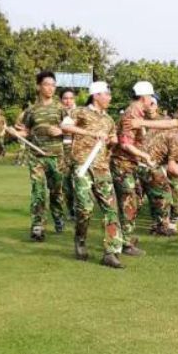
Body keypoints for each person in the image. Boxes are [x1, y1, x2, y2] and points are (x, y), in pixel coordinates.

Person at [61, 81, 126, 268]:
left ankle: (111, 252)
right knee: (85, 207)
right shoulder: (80, 112)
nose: (110, 98)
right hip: (83, 165)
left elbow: (113, 138)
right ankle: (80, 239)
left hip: (102, 168)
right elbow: (65, 126)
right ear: (96, 95)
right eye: (107, 94)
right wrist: (90, 133)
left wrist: (112, 140)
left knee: (110, 209)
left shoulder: (109, 120)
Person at [112, 80, 178, 257]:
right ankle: (124, 243)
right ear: (143, 97)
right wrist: (145, 156)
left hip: (129, 165)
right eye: (150, 97)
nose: (151, 100)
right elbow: (125, 144)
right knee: (129, 204)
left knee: (131, 202)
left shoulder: (137, 114)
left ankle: (124, 239)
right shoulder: (132, 113)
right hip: (123, 165)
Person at [14, 71, 67, 240]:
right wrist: (16, 133)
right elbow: (26, 131)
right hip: (36, 156)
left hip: (56, 156)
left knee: (56, 192)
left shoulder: (61, 109)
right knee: (38, 191)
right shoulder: (31, 110)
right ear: (39, 87)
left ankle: (58, 217)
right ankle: (38, 225)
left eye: (53, 85)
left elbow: (71, 130)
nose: (50, 88)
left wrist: (61, 131)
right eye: (47, 84)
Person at [140, 99, 178, 235]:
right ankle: (162, 228)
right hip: (148, 165)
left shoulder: (177, 134)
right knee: (165, 195)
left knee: (155, 196)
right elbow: (172, 168)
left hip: (144, 162)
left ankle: (157, 225)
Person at [60, 88, 78, 216]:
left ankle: (80, 209)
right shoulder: (57, 113)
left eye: (71, 98)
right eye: (65, 98)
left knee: (80, 181)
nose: (68, 101)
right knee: (66, 183)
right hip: (63, 150)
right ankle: (71, 209)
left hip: (78, 150)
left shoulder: (81, 113)